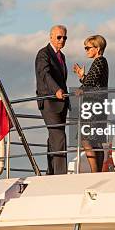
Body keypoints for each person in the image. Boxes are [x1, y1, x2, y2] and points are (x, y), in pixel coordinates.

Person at [35, 25, 70, 175]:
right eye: (59, 37)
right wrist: (56, 90)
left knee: (54, 137)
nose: (62, 40)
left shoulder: (62, 56)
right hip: (49, 102)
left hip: (61, 103)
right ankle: (60, 174)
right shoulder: (43, 54)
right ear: (51, 37)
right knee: (59, 135)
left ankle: (51, 172)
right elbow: (45, 74)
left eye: (64, 38)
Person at [73, 35, 109, 173]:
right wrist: (82, 77)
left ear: (97, 48)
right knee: (96, 140)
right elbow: (94, 80)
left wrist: (82, 88)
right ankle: (96, 171)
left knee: (86, 138)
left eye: (88, 48)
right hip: (98, 106)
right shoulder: (101, 62)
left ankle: (95, 172)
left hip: (93, 107)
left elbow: (91, 82)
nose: (86, 50)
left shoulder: (99, 61)